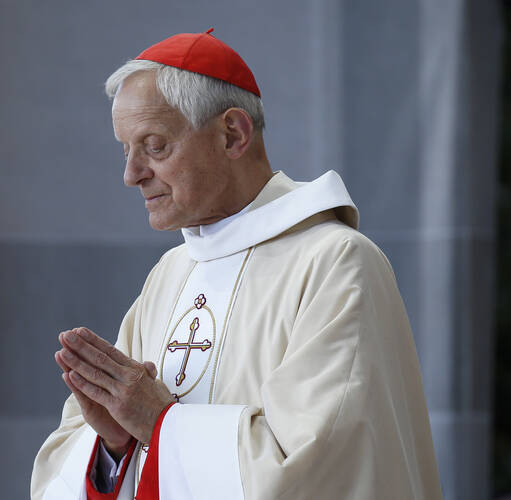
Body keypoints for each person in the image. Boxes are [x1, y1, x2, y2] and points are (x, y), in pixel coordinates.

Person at [31, 29, 442, 500]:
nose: (132, 175)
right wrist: (113, 442)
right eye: (126, 150)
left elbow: (320, 468)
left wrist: (161, 423)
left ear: (233, 134)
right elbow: (67, 464)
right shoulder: (171, 275)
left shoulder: (335, 264)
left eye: (154, 146)